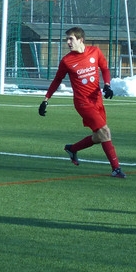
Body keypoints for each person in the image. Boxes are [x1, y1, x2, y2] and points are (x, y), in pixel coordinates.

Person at [38, 26, 125, 178]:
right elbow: (57, 80)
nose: (68, 42)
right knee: (105, 132)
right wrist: (46, 99)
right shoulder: (67, 61)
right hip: (82, 102)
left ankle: (72, 148)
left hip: (97, 100)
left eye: (71, 39)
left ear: (80, 40)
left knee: (99, 137)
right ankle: (116, 169)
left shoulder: (95, 52)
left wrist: (107, 85)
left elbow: (104, 68)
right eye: (67, 39)